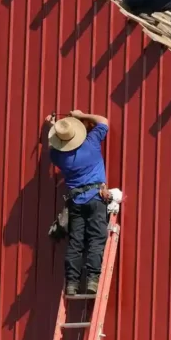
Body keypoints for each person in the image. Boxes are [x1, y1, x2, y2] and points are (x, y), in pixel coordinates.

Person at [47, 110, 112, 295]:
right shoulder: (91, 144)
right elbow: (103, 121)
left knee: (76, 243)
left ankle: (72, 284)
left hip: (75, 201)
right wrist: (83, 114)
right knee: (96, 239)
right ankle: (92, 280)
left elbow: (53, 146)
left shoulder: (58, 157)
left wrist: (54, 127)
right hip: (95, 198)